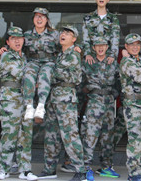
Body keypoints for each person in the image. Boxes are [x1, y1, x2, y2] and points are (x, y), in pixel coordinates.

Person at [38, 25, 86, 181]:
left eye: (68, 33)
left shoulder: (74, 55)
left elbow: (76, 78)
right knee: (51, 135)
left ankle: (80, 170)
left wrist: (51, 72)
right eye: (62, 32)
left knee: (70, 135)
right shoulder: (60, 55)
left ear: (74, 39)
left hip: (66, 99)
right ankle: (49, 169)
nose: (63, 34)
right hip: (54, 98)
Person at [0, 26, 38, 181]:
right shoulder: (7, 56)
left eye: (19, 38)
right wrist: (35, 77)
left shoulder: (24, 58)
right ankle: (4, 169)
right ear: (8, 42)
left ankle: (25, 170)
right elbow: (21, 75)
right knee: (9, 133)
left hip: (25, 99)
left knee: (25, 134)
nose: (17, 41)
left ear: (23, 40)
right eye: (13, 39)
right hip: (10, 99)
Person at [80, 35, 121, 180]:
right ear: (93, 48)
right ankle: (86, 167)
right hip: (94, 103)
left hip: (109, 103)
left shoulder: (113, 63)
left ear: (107, 47)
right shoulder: (88, 62)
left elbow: (119, 83)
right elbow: (81, 82)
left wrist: (113, 95)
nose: (100, 48)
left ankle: (105, 167)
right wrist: (88, 93)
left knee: (108, 136)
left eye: (103, 45)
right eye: (98, 45)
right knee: (90, 135)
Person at [119, 33, 141, 181]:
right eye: (131, 44)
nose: (135, 47)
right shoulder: (127, 62)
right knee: (136, 140)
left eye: (138, 44)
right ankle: (133, 173)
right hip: (133, 106)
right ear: (126, 46)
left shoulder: (140, 61)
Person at [22, 7, 60, 121]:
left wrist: (76, 48)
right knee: (28, 74)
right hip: (33, 61)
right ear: (33, 19)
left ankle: (41, 105)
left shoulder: (54, 34)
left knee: (45, 74)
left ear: (47, 19)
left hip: (49, 62)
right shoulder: (27, 34)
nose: (39, 19)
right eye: (37, 16)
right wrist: (5, 48)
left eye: (42, 17)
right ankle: (29, 106)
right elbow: (17, 46)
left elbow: (64, 46)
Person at [83, 0, 120, 65]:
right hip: (92, 58)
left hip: (108, 58)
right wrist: (87, 53)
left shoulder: (113, 18)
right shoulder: (88, 18)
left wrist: (113, 55)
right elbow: (85, 38)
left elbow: (115, 38)